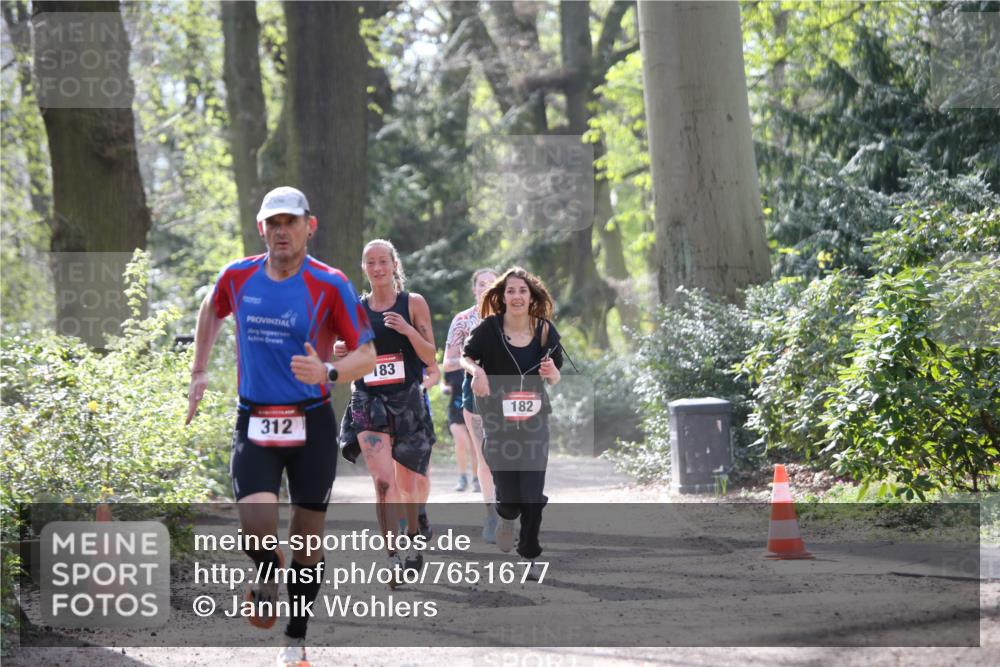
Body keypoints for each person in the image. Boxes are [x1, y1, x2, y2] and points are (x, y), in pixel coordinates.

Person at [186, 186, 376, 667]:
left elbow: (367, 354)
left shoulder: (330, 284)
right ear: (261, 229)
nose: (281, 231)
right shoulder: (238, 276)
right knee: (255, 530)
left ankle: (295, 639)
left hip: (310, 425)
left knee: (308, 543)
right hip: (255, 419)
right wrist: (199, 371)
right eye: (273, 223)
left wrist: (330, 373)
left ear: (309, 226)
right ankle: (267, 572)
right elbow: (211, 306)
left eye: (290, 222)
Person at [337, 239, 438, 578]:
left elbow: (429, 357)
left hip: (406, 401)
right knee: (382, 483)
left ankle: (412, 538)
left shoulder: (414, 303)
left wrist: (407, 330)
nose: (377, 268)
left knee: (407, 484)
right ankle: (391, 555)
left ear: (394, 264)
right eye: (370, 263)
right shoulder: (354, 308)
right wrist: (341, 352)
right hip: (367, 401)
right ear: (363, 269)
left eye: (383, 261)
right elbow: (344, 355)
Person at [461, 267, 562, 580]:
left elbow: (556, 373)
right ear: (502, 297)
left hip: (534, 422)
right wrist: (477, 373)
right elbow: (467, 357)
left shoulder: (544, 330)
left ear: (531, 296)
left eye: (522, 291)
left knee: (532, 492)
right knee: (509, 496)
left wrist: (552, 374)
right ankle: (506, 518)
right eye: (510, 291)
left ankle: (530, 551)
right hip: (499, 421)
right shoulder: (489, 328)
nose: (516, 296)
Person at [443, 268, 499, 541]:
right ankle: (491, 516)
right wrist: (476, 365)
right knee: (485, 457)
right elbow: (449, 361)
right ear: (473, 289)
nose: (486, 288)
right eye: (481, 284)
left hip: (509, 392)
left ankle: (512, 512)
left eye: (492, 283)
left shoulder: (511, 317)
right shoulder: (463, 319)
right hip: (475, 391)